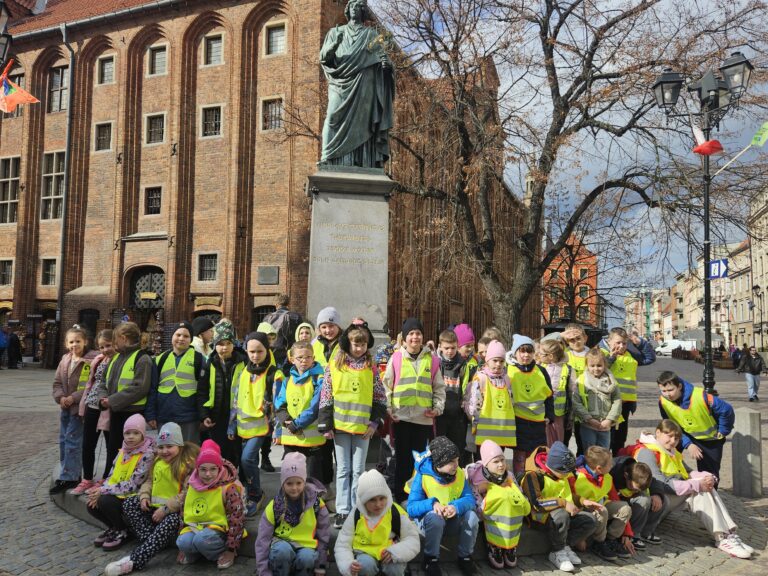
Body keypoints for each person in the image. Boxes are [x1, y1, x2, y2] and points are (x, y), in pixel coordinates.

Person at [626, 420, 754, 559]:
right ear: (658, 433)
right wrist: (696, 485)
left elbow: (687, 472)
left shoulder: (670, 451)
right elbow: (660, 483)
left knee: (705, 487)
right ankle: (723, 537)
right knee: (699, 490)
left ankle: (728, 534)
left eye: (676, 438)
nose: (673, 441)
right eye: (669, 436)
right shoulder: (647, 451)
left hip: (668, 497)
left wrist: (708, 477)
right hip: (655, 501)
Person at [104, 423, 200, 575]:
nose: (164, 451)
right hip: (154, 507)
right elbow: (149, 481)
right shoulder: (157, 462)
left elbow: (186, 493)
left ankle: (135, 560)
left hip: (173, 512)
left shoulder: (186, 465)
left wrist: (166, 509)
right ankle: (151, 540)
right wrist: (144, 496)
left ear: (179, 446)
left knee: (172, 521)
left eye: (169, 446)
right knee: (130, 503)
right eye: (161, 447)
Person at [319, 321, 387, 528]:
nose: (359, 348)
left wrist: (374, 423)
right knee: (343, 469)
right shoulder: (335, 366)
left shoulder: (371, 368)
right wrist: (325, 423)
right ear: (347, 344)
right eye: (355, 344)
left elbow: (379, 397)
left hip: (362, 428)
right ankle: (342, 509)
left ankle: (356, 507)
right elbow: (327, 395)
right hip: (340, 426)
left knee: (358, 470)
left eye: (363, 344)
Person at [319, 0, 394, 168]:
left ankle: (363, 161)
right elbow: (324, 58)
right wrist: (334, 44)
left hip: (365, 83)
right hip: (340, 82)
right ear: (348, 10)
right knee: (332, 116)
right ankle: (328, 156)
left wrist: (387, 66)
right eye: (352, 6)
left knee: (364, 123)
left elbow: (384, 61)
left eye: (359, 6)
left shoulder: (372, 36)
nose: (355, 8)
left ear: (363, 11)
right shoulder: (335, 32)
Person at [383, 317, 446, 503]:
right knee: (402, 460)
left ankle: (416, 494)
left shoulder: (432, 361)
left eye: (418, 333)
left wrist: (437, 409)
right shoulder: (395, 358)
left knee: (420, 461)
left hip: (423, 419)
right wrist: (389, 409)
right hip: (401, 418)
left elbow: (439, 388)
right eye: (411, 333)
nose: (415, 337)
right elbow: (387, 387)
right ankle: (400, 494)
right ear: (404, 338)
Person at [228, 331, 284, 516]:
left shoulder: (274, 373)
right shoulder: (245, 369)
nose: (255, 355)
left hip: (261, 425)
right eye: (251, 351)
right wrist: (232, 424)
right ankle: (250, 491)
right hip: (244, 426)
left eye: (259, 351)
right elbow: (237, 398)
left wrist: (278, 431)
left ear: (267, 351)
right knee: (245, 462)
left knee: (247, 459)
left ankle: (256, 494)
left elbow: (278, 403)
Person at [519, 441, 597, 573]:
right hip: (540, 518)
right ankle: (557, 552)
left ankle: (566, 545)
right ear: (555, 468)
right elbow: (536, 503)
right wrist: (564, 504)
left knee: (590, 520)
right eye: (566, 472)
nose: (569, 475)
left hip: (563, 516)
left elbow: (567, 494)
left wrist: (583, 501)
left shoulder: (560, 474)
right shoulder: (532, 476)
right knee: (561, 515)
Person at [406, 436, 479, 576]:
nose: (456, 465)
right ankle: (430, 559)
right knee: (435, 518)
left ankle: (465, 557)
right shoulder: (423, 476)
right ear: (439, 463)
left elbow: (470, 499)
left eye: (457, 460)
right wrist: (432, 504)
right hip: (429, 525)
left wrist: (456, 506)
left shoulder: (458, 474)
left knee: (472, 516)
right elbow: (411, 507)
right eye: (451, 462)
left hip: (452, 522)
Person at [87, 414, 156, 551]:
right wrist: (100, 490)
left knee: (104, 501)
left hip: (133, 494)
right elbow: (111, 476)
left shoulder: (147, 455)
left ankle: (123, 531)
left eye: (136, 433)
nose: (130, 437)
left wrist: (103, 491)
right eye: (127, 433)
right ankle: (113, 527)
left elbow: (133, 485)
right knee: (91, 504)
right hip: (117, 491)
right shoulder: (122, 452)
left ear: (143, 434)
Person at [255, 452, 330, 576]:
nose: (294, 488)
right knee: (281, 551)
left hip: (307, 546)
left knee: (307, 557)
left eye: (298, 483)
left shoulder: (318, 505)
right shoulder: (274, 506)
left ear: (304, 482)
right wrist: (263, 571)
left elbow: (324, 537)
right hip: (282, 543)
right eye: (289, 483)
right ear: (282, 483)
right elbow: (262, 540)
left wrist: (321, 566)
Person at [335, 469, 420, 576]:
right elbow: (342, 544)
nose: (378, 504)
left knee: (395, 568)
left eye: (382, 498)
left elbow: (412, 539)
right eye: (372, 500)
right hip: (364, 553)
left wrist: (397, 551)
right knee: (365, 565)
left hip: (390, 551)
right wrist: (348, 565)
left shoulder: (395, 511)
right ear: (363, 501)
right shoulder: (356, 514)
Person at [176, 439, 246, 569]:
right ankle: (197, 553)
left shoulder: (228, 488)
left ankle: (220, 553)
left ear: (219, 469)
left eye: (213, 469)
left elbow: (236, 517)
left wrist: (231, 549)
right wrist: (182, 545)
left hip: (218, 530)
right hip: (195, 527)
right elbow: (183, 512)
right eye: (203, 469)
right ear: (197, 469)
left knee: (202, 540)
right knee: (182, 542)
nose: (208, 474)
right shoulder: (191, 485)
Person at [657, 371, 734, 482]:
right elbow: (672, 425)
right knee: (667, 456)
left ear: (679, 386)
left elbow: (726, 410)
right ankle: (674, 487)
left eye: (670, 390)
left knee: (710, 473)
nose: (667, 394)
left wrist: (723, 430)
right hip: (683, 435)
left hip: (711, 440)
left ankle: (709, 496)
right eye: (663, 391)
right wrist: (688, 444)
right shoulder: (663, 402)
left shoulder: (701, 396)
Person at [465, 440, 531, 569]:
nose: (501, 465)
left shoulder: (509, 475)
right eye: (495, 461)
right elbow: (475, 499)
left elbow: (520, 493)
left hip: (509, 516)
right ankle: (494, 545)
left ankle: (511, 546)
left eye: (503, 460)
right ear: (486, 464)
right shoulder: (477, 478)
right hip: (488, 516)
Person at [50, 325, 99, 494]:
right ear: (66, 343)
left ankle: (70, 477)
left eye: (78, 341)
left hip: (80, 408)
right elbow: (57, 382)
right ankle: (69, 472)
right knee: (64, 440)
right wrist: (61, 397)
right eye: (71, 342)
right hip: (65, 407)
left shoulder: (92, 359)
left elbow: (90, 385)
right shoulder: (65, 359)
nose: (74, 345)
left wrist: (74, 397)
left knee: (73, 441)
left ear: (85, 341)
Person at [101, 322, 154, 470]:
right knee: (114, 450)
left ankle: (128, 481)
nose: (113, 344)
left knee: (132, 452)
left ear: (123, 338)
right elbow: (102, 382)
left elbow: (140, 388)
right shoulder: (115, 358)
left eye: (115, 340)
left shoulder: (142, 358)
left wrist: (111, 400)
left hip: (133, 414)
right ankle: (111, 479)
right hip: (116, 411)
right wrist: (103, 398)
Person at [275, 341, 327, 484]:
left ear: (313, 358)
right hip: (291, 438)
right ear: (292, 359)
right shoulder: (287, 380)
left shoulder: (318, 379)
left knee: (312, 480)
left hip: (311, 440)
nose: (304, 360)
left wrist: (297, 424)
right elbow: (279, 404)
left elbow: (315, 407)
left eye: (308, 357)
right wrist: (285, 419)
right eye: (300, 358)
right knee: (290, 478)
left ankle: (315, 505)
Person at [568, 446, 633, 560]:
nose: (612, 465)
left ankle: (611, 540)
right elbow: (570, 500)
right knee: (602, 511)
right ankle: (599, 542)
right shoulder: (576, 477)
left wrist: (626, 533)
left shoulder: (607, 477)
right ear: (599, 468)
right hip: (582, 510)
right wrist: (581, 538)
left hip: (601, 506)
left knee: (625, 508)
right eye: (609, 464)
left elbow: (615, 498)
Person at [146, 321, 205, 444]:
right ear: (172, 336)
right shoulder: (160, 359)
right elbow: (152, 388)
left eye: (186, 336)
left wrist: (203, 416)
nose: (181, 338)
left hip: (189, 416)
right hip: (164, 414)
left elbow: (204, 389)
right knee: (166, 452)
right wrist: (151, 414)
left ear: (191, 339)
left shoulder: (199, 359)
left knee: (188, 454)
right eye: (178, 335)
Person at [599, 327, 654, 455]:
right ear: (609, 341)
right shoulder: (601, 353)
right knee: (607, 437)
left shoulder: (630, 354)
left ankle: (618, 462)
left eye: (624, 343)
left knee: (620, 437)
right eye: (617, 342)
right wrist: (612, 357)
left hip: (626, 403)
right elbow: (599, 370)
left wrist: (639, 342)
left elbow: (649, 358)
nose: (621, 346)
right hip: (608, 404)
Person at [199, 319, 246, 466]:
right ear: (214, 344)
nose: (224, 347)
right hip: (216, 415)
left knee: (237, 451)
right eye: (220, 343)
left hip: (238, 415)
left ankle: (237, 481)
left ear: (234, 344)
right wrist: (204, 414)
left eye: (228, 343)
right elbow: (202, 390)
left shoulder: (243, 362)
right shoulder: (209, 363)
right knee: (219, 450)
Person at [73, 329, 115, 495]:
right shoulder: (98, 360)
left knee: (110, 444)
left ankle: (105, 477)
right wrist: (83, 406)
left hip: (107, 407)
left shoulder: (118, 361)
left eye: (108, 345)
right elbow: (89, 384)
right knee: (88, 443)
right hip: (92, 404)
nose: (105, 349)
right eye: (102, 346)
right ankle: (87, 478)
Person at [506, 334, 553, 475]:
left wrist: (549, 416)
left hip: (538, 422)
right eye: (522, 351)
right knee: (520, 456)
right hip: (519, 420)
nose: (526, 355)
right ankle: (520, 482)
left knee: (537, 455)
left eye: (529, 351)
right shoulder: (509, 370)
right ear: (515, 352)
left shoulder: (541, 371)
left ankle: (535, 482)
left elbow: (549, 396)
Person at [466, 340, 515, 459]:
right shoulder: (481, 378)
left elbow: (510, 402)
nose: (498, 364)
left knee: (497, 460)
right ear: (487, 360)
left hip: (501, 431)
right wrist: (474, 422)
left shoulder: (506, 379)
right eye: (495, 360)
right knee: (482, 462)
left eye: (501, 361)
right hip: (483, 432)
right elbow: (475, 404)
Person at [609, 455, 666, 549]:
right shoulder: (614, 473)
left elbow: (655, 483)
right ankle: (631, 536)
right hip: (614, 500)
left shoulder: (640, 472)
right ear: (626, 476)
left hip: (624, 499)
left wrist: (657, 495)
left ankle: (644, 533)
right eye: (633, 488)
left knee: (662, 501)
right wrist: (626, 533)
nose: (635, 491)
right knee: (643, 500)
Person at [571, 347, 622, 451]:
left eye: (599, 365)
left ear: (604, 365)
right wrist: (589, 419)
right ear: (587, 365)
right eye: (592, 366)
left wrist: (609, 419)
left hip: (605, 425)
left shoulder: (611, 381)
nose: (596, 368)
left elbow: (617, 400)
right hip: (588, 425)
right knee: (590, 452)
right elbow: (576, 402)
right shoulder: (581, 381)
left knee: (604, 452)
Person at [435, 329, 470, 465]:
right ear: (440, 347)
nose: (450, 351)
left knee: (458, 448)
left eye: (453, 348)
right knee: (440, 448)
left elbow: (466, 387)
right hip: (440, 414)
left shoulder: (462, 364)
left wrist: (464, 404)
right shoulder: (436, 363)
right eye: (446, 348)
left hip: (457, 415)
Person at [538, 338, 574, 445]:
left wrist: (571, 415)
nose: (539, 355)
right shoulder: (539, 367)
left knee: (557, 442)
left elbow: (573, 392)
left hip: (559, 416)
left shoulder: (568, 369)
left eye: (541, 354)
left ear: (551, 356)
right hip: (543, 413)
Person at [263, 293, 304, 370]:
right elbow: (300, 336)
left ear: (276, 304)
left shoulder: (267, 318)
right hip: (290, 353)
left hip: (271, 352)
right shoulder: (296, 317)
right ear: (288, 304)